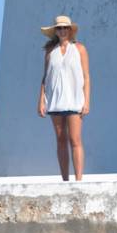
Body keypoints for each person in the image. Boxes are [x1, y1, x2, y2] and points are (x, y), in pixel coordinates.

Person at [37, 15, 90, 181]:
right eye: (59, 28)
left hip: (75, 100)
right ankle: (65, 179)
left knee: (75, 139)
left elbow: (87, 76)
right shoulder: (50, 52)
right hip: (56, 101)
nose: (62, 31)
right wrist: (41, 100)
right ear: (55, 31)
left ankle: (79, 180)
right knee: (60, 140)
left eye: (65, 28)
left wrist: (87, 101)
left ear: (70, 30)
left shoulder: (80, 49)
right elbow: (45, 77)